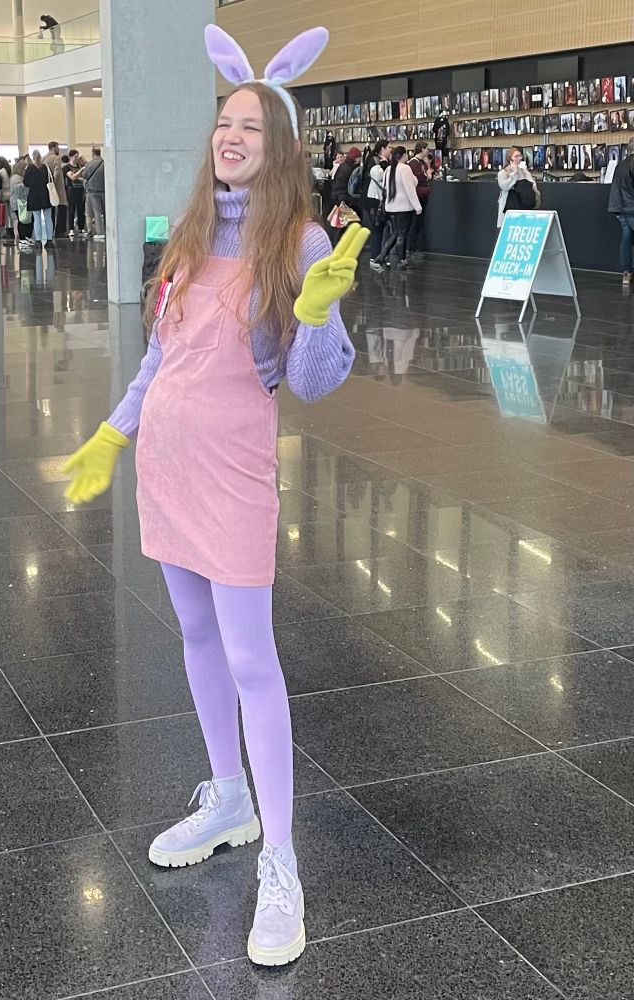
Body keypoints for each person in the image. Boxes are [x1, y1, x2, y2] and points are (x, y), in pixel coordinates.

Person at [61, 23, 368, 968]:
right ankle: (225, 794)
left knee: (251, 659)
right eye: (225, 121)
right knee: (194, 636)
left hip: (235, 470)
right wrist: (116, 430)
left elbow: (314, 379)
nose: (232, 136)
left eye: (252, 126)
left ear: (279, 145)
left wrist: (315, 314)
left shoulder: (302, 237)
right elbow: (162, 358)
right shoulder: (191, 233)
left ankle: (282, 861)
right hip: (169, 465)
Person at [372, 146, 422, 270]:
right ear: (403, 155)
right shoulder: (405, 168)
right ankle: (399, 261)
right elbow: (410, 188)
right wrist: (417, 206)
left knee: (396, 233)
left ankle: (383, 257)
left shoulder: (389, 169)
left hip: (391, 207)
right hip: (403, 207)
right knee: (401, 234)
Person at [608, 139, 634, 286]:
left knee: (626, 240)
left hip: (621, 208)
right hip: (632, 208)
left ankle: (626, 273)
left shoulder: (620, 165)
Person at [496, 146, 537, 227]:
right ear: (510, 159)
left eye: (520, 156)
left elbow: (533, 184)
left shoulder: (524, 171)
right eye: (516, 156)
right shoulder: (503, 173)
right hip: (509, 208)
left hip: (523, 206)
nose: (519, 158)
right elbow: (504, 187)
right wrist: (514, 173)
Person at [364, 141, 390, 269]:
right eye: (389, 147)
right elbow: (380, 176)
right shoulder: (375, 162)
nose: (390, 150)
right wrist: (385, 165)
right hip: (374, 200)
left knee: (380, 230)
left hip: (377, 199)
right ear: (382, 149)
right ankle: (375, 258)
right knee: (377, 229)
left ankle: (379, 257)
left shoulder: (375, 160)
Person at [23, 149, 55, 249]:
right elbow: (51, 179)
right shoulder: (46, 167)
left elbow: (25, 183)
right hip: (46, 195)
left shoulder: (30, 168)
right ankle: (49, 241)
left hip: (34, 196)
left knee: (37, 219)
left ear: (33, 157)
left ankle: (38, 241)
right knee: (48, 218)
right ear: (41, 157)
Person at [407, 140, 432, 262]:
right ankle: (411, 250)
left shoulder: (422, 162)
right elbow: (421, 176)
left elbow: (428, 174)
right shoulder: (414, 163)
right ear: (422, 149)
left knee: (419, 223)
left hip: (423, 196)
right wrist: (426, 174)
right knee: (415, 224)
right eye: (426, 148)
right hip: (418, 196)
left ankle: (415, 249)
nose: (428, 150)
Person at [10, 156, 36, 251]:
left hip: (20, 203)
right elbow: (21, 189)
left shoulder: (17, 177)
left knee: (26, 220)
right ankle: (23, 238)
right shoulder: (16, 178)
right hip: (19, 203)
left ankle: (26, 237)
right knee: (23, 221)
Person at [44, 140, 68, 236]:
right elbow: (57, 173)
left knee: (51, 212)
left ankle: (50, 231)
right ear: (54, 147)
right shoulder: (56, 158)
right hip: (56, 188)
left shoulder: (43, 158)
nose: (59, 149)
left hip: (47, 188)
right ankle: (60, 232)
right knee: (62, 208)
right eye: (58, 147)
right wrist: (54, 183)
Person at [82, 146, 105, 240]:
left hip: (92, 191)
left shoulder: (90, 164)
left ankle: (100, 232)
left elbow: (84, 175)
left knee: (97, 212)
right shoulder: (105, 163)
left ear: (92, 153)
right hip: (104, 190)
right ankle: (108, 230)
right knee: (106, 211)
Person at [64, 149, 87, 236]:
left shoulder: (79, 166)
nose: (77, 158)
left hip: (80, 190)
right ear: (70, 157)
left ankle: (81, 228)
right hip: (71, 191)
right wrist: (79, 173)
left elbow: (82, 178)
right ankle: (71, 229)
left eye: (78, 156)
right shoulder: (67, 168)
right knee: (71, 209)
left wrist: (76, 176)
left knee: (81, 209)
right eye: (75, 157)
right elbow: (72, 177)